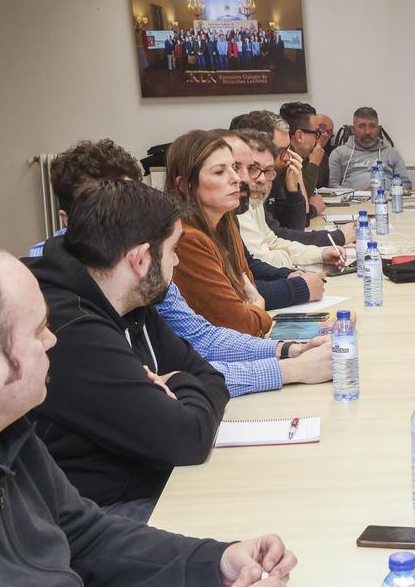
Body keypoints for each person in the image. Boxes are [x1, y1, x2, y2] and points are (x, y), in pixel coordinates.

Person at [0, 238, 298, 587]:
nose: (54, 341)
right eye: (38, 332)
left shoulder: (4, 431)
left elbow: (87, 537)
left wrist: (216, 561)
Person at [27, 139, 330, 400]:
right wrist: (290, 367)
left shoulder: (153, 257)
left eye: (130, 199)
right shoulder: (49, 297)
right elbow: (153, 393)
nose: (123, 214)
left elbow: (200, 341)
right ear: (68, 221)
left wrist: (289, 351)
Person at [27, 180, 229, 516]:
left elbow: (211, 376)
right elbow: (187, 439)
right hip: (95, 517)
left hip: (142, 483)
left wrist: (176, 382)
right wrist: (179, 381)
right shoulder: (71, 331)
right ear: (140, 259)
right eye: (173, 249)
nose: (176, 262)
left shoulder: (132, 301)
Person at [168, 130, 274, 337]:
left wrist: (251, 309)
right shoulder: (187, 239)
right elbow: (242, 325)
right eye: (219, 172)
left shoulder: (226, 222)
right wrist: (258, 309)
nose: (236, 179)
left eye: (233, 168)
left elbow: (247, 290)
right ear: (184, 184)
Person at [230, 111, 349, 249]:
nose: (287, 157)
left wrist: (294, 187)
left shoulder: (271, 175)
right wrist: (336, 237)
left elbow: (294, 227)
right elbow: (278, 236)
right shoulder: (247, 187)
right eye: (280, 150)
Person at [236, 130, 343, 269]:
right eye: (253, 169)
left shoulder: (253, 199)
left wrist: (320, 253)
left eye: (268, 170)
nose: (262, 179)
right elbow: (262, 260)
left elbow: (273, 242)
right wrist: (286, 257)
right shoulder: (237, 205)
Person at [328, 107, 409, 191]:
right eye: (362, 126)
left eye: (372, 126)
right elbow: (332, 186)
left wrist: (384, 192)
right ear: (352, 129)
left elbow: (406, 184)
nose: (367, 132)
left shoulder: (392, 153)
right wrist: (357, 194)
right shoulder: (339, 153)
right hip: (351, 202)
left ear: (378, 129)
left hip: (385, 200)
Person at [278, 101, 325, 213]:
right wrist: (314, 163)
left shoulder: (297, 155)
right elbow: (301, 202)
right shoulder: (285, 159)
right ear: (299, 136)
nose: (318, 139)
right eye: (316, 133)